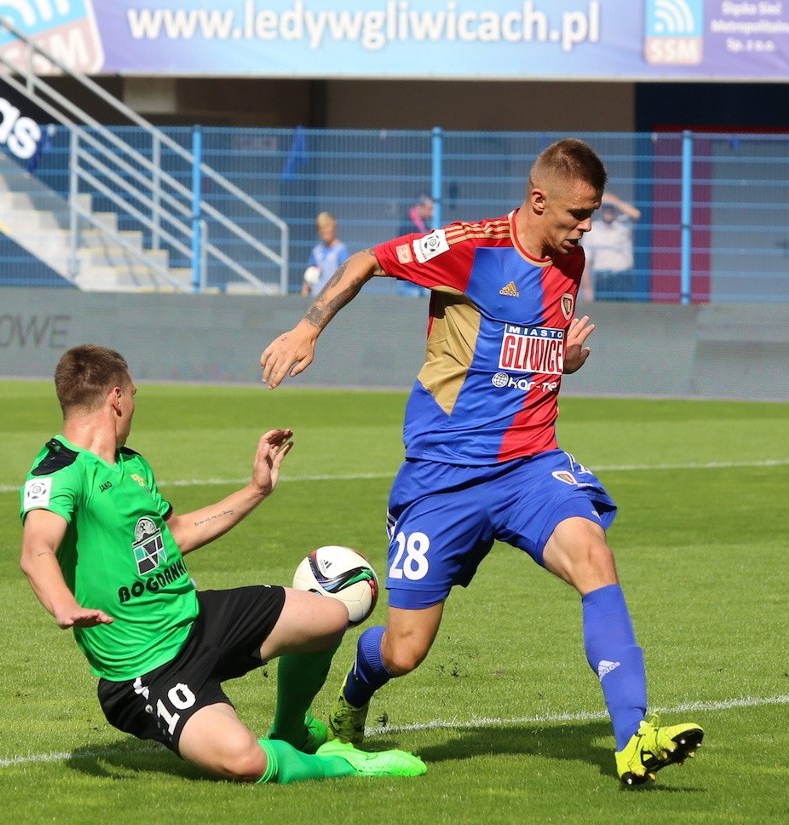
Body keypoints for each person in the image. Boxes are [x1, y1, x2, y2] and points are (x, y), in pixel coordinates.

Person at [260, 138, 703, 787]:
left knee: (593, 554)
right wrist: (309, 327)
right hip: (443, 476)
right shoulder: (472, 247)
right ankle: (352, 701)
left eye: (591, 215)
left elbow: (525, 345)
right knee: (405, 649)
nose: (586, 228)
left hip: (529, 465)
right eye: (577, 214)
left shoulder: (568, 258)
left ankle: (634, 735)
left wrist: (563, 360)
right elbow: (367, 260)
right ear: (537, 199)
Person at [19, 344, 426, 784]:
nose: (135, 405)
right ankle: (342, 765)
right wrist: (62, 604)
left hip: (196, 619)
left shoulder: (131, 464)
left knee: (329, 617)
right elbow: (37, 549)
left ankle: (289, 729)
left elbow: (175, 533)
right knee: (244, 761)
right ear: (116, 398)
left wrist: (255, 490)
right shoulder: (58, 471)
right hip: (146, 670)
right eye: (134, 394)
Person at [580, 192, 641, 301]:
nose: (608, 211)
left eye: (611, 208)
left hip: (623, 277)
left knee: (626, 314)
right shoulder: (593, 230)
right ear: (601, 209)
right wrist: (587, 287)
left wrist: (614, 201)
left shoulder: (623, 226)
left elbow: (635, 214)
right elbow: (586, 262)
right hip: (603, 279)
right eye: (606, 208)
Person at [301, 212, 349, 297]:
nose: (324, 231)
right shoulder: (316, 251)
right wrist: (304, 295)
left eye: (327, 227)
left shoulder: (341, 250)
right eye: (321, 228)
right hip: (316, 296)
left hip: (333, 297)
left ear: (334, 228)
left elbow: (345, 276)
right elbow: (309, 276)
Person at [396, 194, 434, 296]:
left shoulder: (423, 223)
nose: (432, 213)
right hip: (407, 270)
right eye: (429, 209)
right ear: (419, 207)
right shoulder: (408, 223)